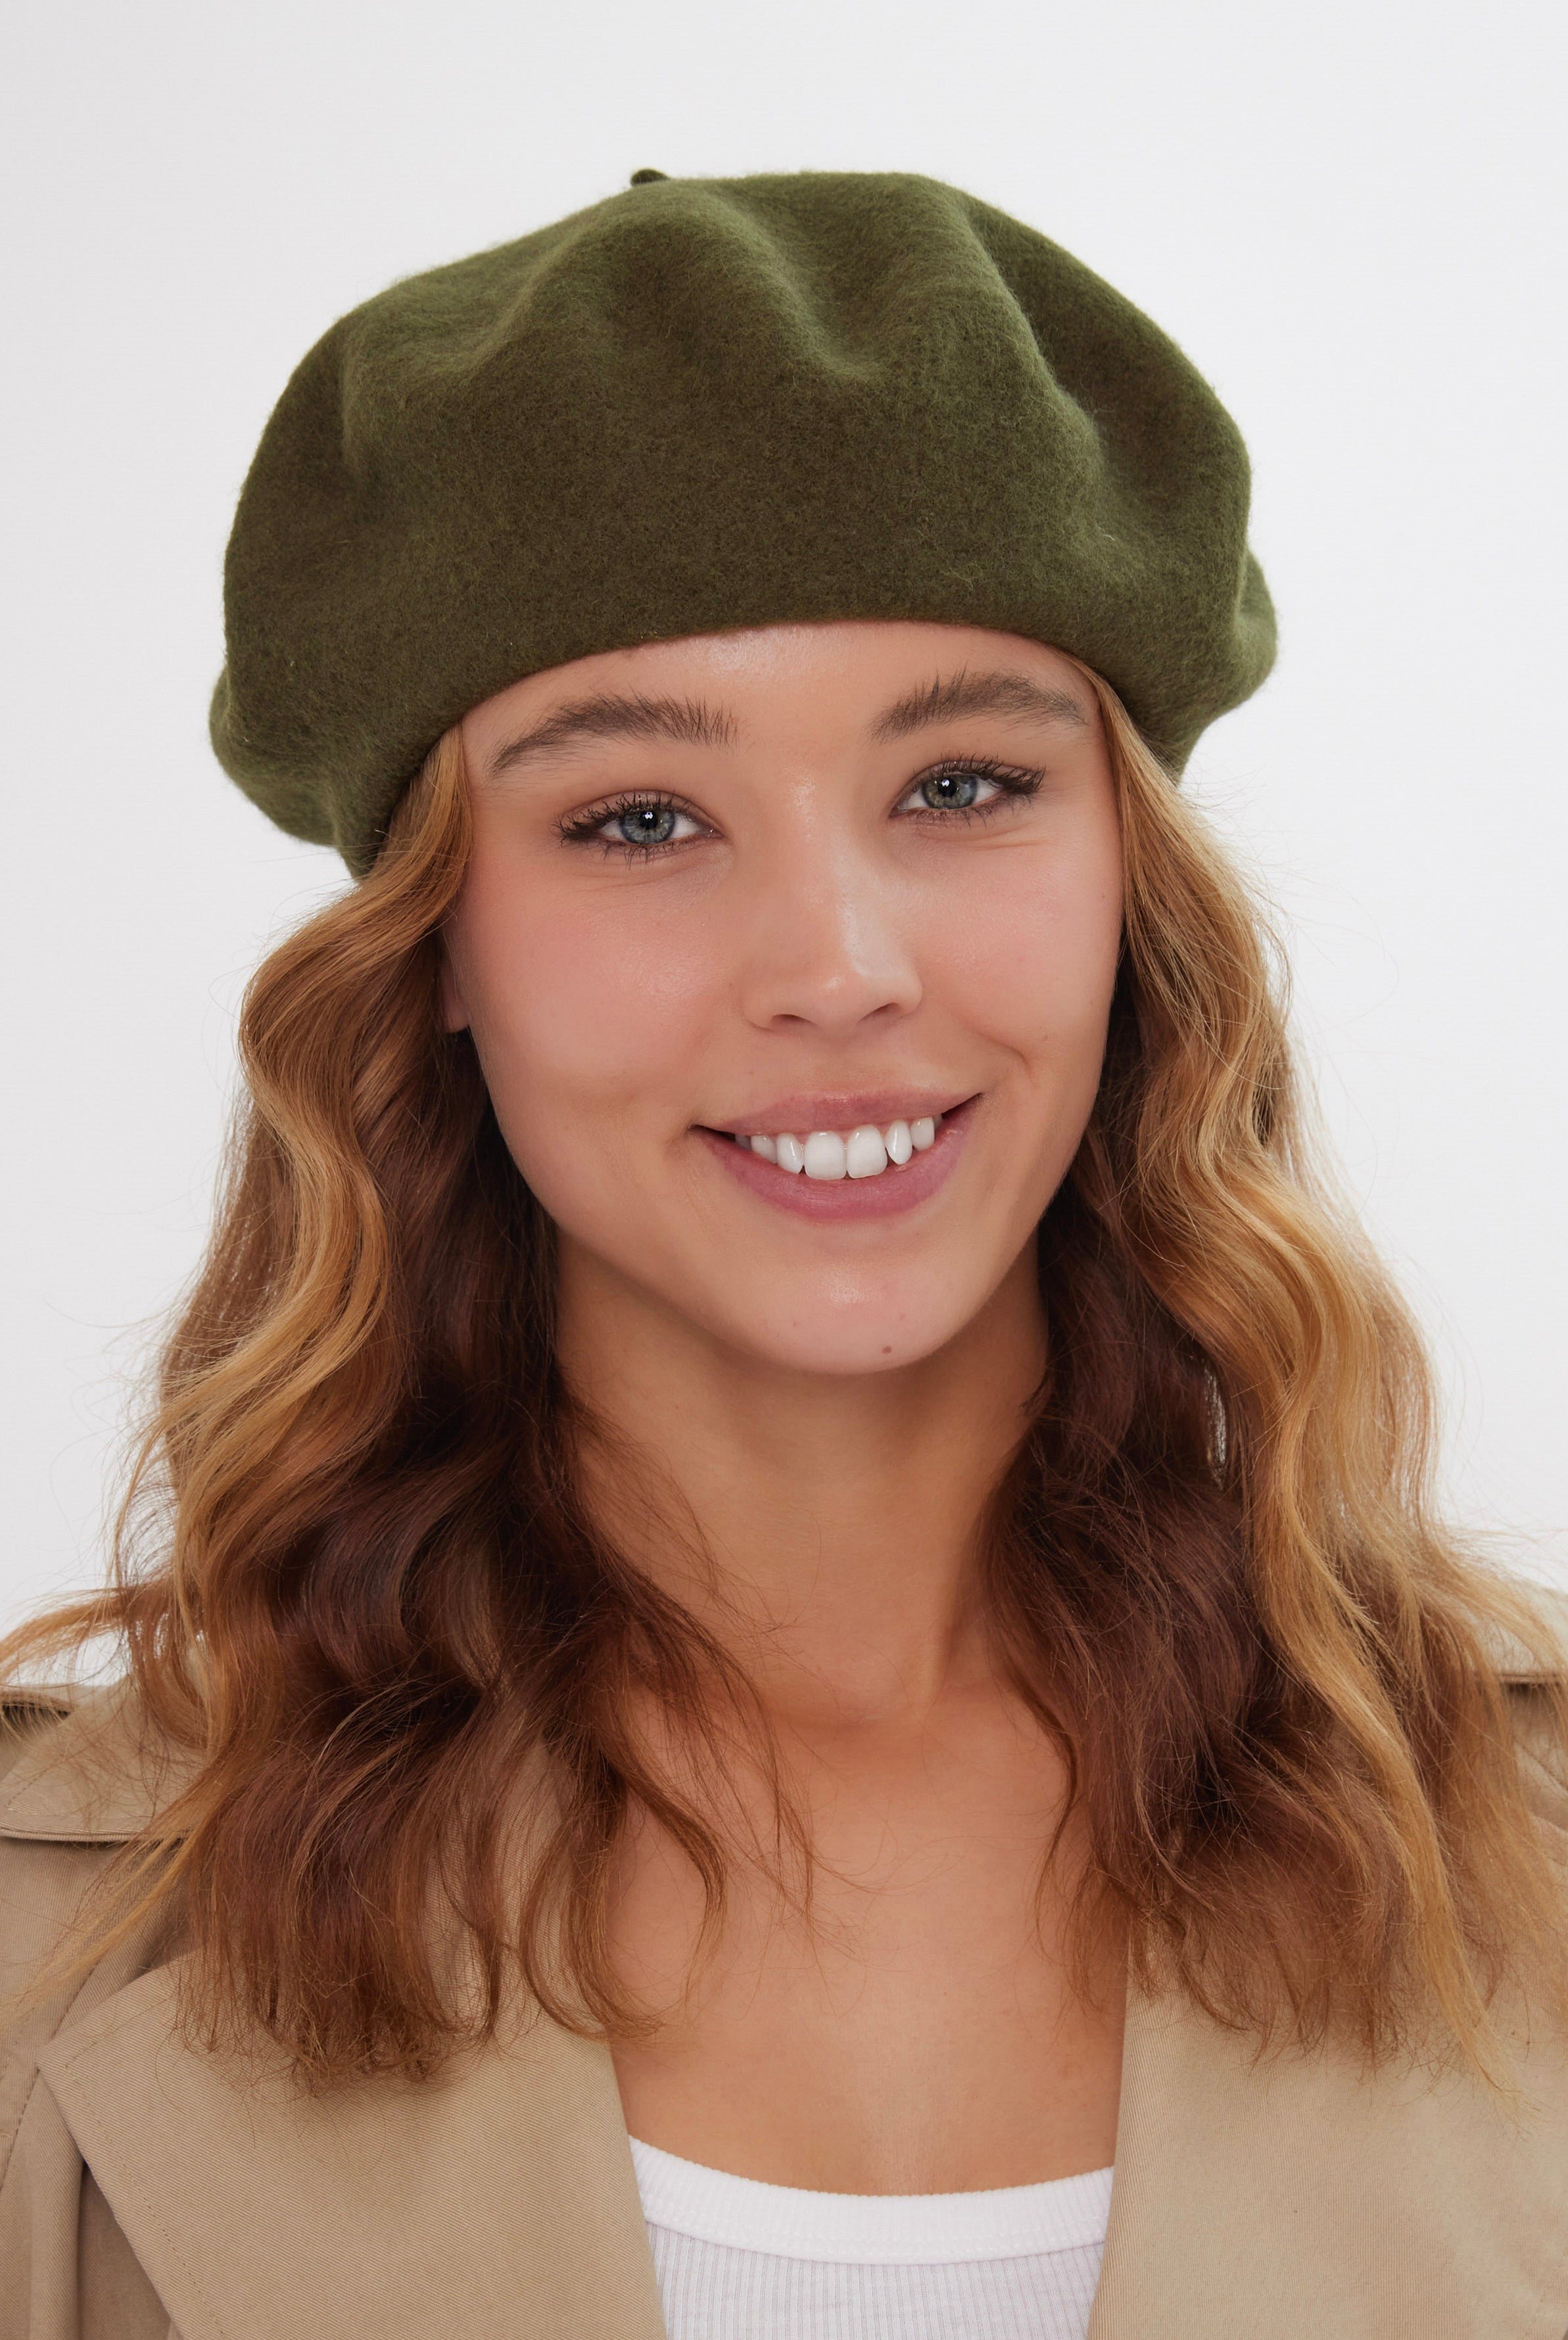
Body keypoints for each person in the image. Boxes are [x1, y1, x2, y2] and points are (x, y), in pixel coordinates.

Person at [2, 169, 1565, 2340]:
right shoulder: (41, 1936)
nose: (834, 969)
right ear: (438, 947)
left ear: (1131, 878)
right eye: (636, 820)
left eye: (959, 786)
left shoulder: (1531, 1849)